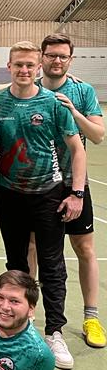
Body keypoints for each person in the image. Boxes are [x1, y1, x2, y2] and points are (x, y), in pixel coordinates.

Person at [0, 42, 86, 370]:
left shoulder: (53, 104)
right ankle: (20, 328)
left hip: (48, 195)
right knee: (16, 265)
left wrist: (77, 194)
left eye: (30, 65)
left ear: (38, 67)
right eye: (19, 65)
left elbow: (77, 150)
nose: (24, 70)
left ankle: (54, 331)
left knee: (52, 264)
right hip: (9, 195)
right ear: (9, 66)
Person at [35, 33, 105, 348]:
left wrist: (74, 113)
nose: (57, 60)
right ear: (42, 57)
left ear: (70, 60)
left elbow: (98, 135)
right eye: (51, 55)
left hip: (74, 182)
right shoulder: (30, 87)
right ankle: (28, 315)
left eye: (63, 56)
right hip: (39, 184)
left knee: (84, 248)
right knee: (33, 248)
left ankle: (91, 318)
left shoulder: (82, 91)